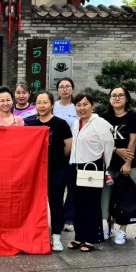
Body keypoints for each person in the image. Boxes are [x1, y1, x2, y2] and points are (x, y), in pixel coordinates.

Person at [26, 90, 72, 252]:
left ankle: (56, 235)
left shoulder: (61, 124)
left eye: (45, 102)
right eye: (39, 102)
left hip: (57, 170)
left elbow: (68, 147)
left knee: (56, 202)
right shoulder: (31, 126)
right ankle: (36, 234)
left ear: (52, 105)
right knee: (34, 203)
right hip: (36, 172)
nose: (42, 105)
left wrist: (55, 157)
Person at [69, 92, 114, 252]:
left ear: (93, 106)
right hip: (75, 166)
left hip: (92, 167)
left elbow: (108, 146)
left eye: (85, 104)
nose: (82, 108)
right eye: (78, 105)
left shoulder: (100, 123)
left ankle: (92, 238)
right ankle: (79, 236)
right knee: (78, 203)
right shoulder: (76, 123)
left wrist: (103, 166)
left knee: (92, 204)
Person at [101, 86, 136, 245]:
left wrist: (127, 163)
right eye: (114, 95)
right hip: (109, 163)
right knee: (108, 196)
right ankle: (109, 227)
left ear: (126, 98)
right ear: (110, 99)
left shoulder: (133, 116)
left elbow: (132, 141)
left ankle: (122, 230)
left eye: (120, 95)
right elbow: (101, 140)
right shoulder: (104, 117)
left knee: (126, 196)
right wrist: (116, 150)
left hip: (127, 163)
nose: (117, 98)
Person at [53, 77, 78, 232]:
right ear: (58, 90)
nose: (65, 89)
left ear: (72, 89)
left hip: (73, 152)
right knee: (57, 186)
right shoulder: (53, 106)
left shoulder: (77, 107)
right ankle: (57, 216)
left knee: (72, 184)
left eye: (68, 86)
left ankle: (69, 217)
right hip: (55, 152)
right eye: (61, 87)